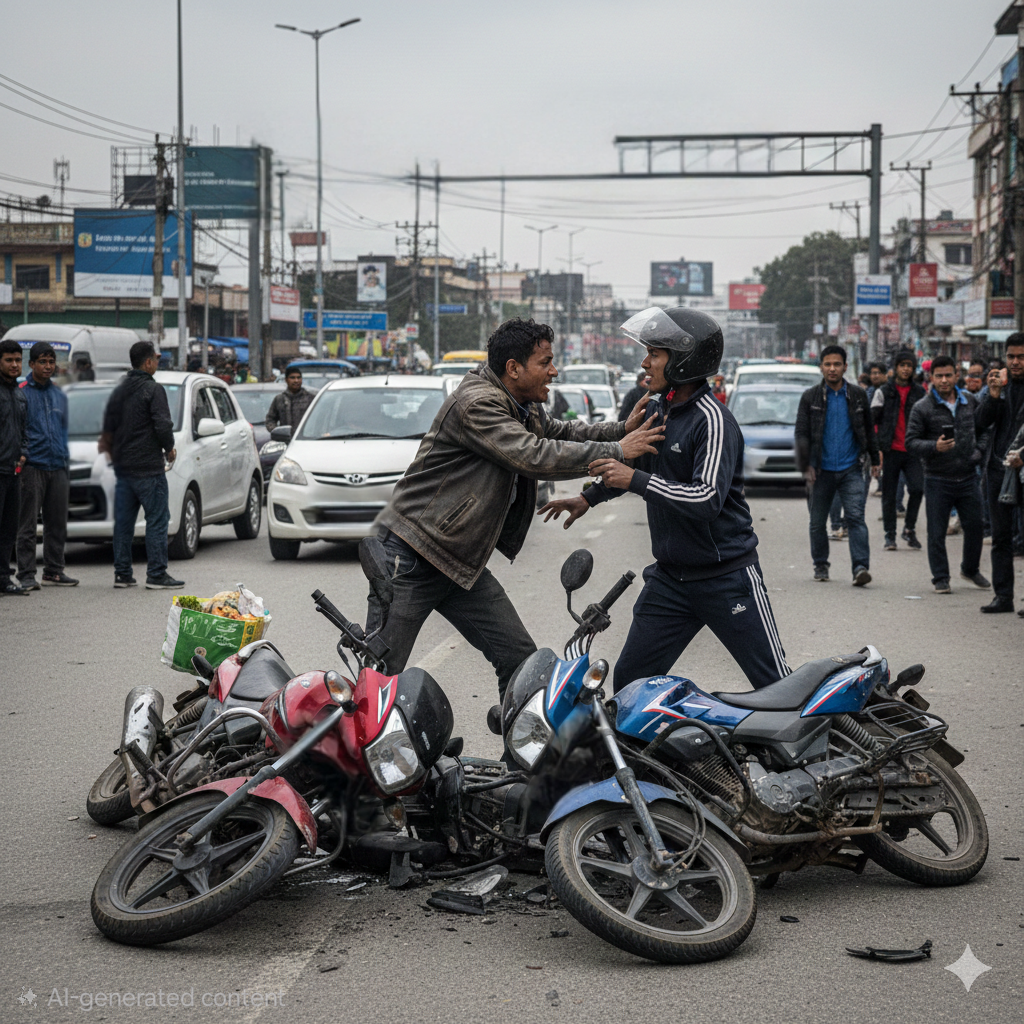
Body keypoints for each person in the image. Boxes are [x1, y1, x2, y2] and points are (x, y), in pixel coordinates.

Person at [370, 317, 663, 700]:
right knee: (378, 675)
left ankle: (520, 755)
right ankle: (348, 758)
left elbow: (561, 433)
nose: (554, 372)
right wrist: (620, 452)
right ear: (513, 368)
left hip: (458, 563)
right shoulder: (477, 405)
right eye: (546, 363)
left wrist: (619, 429)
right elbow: (533, 455)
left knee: (521, 661)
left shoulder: (520, 403)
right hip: (411, 557)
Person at [541, 307, 790, 693]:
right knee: (629, 683)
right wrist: (588, 498)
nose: (644, 363)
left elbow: (705, 498)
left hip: (727, 578)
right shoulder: (659, 410)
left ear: (684, 360)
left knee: (777, 686)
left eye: (654, 354)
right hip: (671, 582)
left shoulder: (713, 420)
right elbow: (637, 464)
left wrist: (636, 479)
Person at [99, 341, 183, 590]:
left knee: (124, 522)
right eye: (156, 359)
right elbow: (162, 424)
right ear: (148, 362)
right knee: (157, 520)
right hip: (148, 468)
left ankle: (122, 574)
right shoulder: (153, 389)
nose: (157, 363)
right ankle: (156, 573)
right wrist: (169, 449)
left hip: (123, 468)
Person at [905, 355, 989, 596]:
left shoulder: (971, 401)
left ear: (956, 376)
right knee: (936, 531)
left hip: (967, 476)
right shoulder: (922, 407)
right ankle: (941, 577)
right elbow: (911, 442)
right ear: (931, 378)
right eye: (938, 376)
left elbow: (984, 429)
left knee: (974, 527)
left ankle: (970, 569)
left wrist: (979, 451)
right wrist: (934, 447)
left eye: (948, 375)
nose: (943, 380)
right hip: (937, 478)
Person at [795, 345, 879, 585]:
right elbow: (801, 433)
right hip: (820, 471)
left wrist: (874, 458)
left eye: (837, 364)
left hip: (851, 468)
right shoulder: (810, 397)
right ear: (821, 367)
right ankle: (821, 565)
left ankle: (860, 567)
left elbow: (868, 430)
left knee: (855, 519)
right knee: (817, 522)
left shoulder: (858, 395)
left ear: (844, 366)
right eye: (828, 364)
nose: (832, 369)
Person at [16, 342, 77, 588]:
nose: (48, 366)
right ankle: (26, 574)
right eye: (43, 362)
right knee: (28, 524)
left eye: (51, 362)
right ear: (31, 364)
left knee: (57, 523)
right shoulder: (20, 392)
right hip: (32, 466)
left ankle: (54, 570)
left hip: (58, 466)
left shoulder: (59, 395)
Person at [975, 334, 1024, 612]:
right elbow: (979, 424)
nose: (1015, 362)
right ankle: (1003, 596)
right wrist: (993, 397)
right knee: (1000, 537)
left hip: (1023, 467)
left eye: (1021, 356)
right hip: (997, 468)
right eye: (1011, 356)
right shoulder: (998, 387)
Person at [871, 349, 925, 552]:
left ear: (913, 369)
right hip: (890, 450)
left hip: (913, 450)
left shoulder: (920, 393)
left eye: (909, 366)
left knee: (918, 489)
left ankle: (909, 529)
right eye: (902, 365)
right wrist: (877, 450)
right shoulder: (883, 392)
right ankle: (890, 535)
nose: (905, 369)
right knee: (889, 496)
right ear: (896, 368)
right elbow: (872, 421)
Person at [0, 339, 29, 596]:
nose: (14, 364)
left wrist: (24, 453)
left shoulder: (19, 394)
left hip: (13, 473)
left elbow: (24, 432)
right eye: (9, 360)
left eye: (18, 360)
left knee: (9, 529)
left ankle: (3, 578)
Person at [265, 367, 314, 432]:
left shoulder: (310, 398)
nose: (296, 380)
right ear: (286, 380)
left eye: (298, 378)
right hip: (285, 440)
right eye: (292, 378)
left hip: (306, 439)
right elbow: (270, 420)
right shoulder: (279, 399)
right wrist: (278, 432)